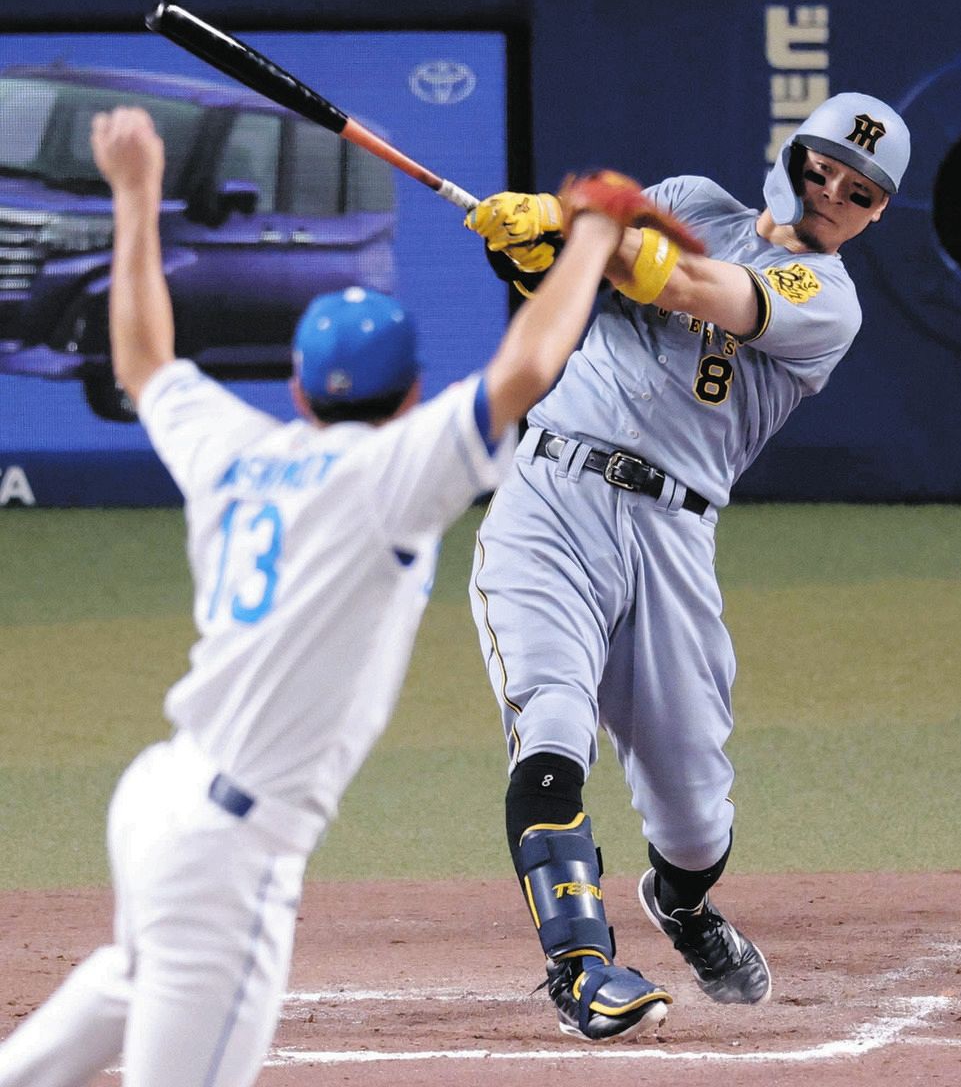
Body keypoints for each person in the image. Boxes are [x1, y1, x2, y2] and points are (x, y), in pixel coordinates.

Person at [0, 109, 665, 1086]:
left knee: (130, 981)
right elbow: (524, 369)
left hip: (158, 801)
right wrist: (596, 238)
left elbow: (142, 363)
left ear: (299, 391)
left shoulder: (239, 450)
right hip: (229, 849)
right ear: (408, 396)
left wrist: (136, 193)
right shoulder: (392, 475)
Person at [465, 92, 912, 1042]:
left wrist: (572, 224)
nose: (830, 191)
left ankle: (680, 900)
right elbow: (567, 282)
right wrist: (534, 244)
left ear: (873, 217)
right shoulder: (689, 198)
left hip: (672, 539)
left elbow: (696, 291)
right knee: (549, 721)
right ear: (789, 155)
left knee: (695, 819)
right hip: (551, 498)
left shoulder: (827, 302)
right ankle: (582, 969)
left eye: (859, 190)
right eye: (822, 164)